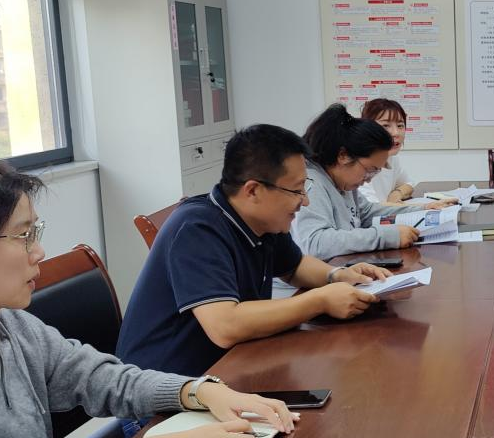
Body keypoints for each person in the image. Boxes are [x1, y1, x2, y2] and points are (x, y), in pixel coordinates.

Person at [0, 160, 297, 438]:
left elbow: (104, 379)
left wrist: (199, 391)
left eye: (35, 232)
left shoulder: (15, 327)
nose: (38, 251)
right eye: (23, 235)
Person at [117, 124, 392, 379]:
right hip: (164, 391)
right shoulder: (197, 228)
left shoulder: (263, 221)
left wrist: (338, 275)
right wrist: (321, 300)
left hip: (228, 370)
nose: (305, 201)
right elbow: (225, 326)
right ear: (253, 191)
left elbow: (295, 267)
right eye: (297, 190)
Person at [291, 104, 428, 260]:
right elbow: (315, 243)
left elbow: (368, 213)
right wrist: (387, 236)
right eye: (370, 170)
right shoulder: (311, 183)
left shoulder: (343, 182)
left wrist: (423, 211)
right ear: (343, 156)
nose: (369, 178)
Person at [357, 98, 452, 209]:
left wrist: (396, 194)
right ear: (368, 128)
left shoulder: (391, 157)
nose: (396, 133)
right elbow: (371, 208)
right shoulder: (360, 162)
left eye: (400, 125)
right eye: (385, 125)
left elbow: (409, 184)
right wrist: (426, 206)